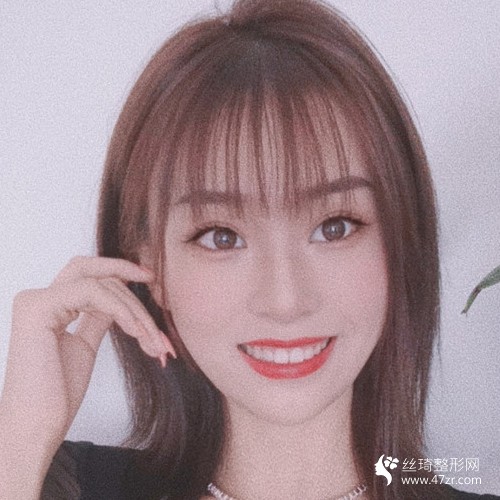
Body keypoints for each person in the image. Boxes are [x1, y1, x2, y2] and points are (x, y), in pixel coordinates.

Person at [0, 0, 498, 499]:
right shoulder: (49, 481)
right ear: (148, 268)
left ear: (401, 241)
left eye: (334, 227)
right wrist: (19, 448)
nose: (286, 300)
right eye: (222, 236)